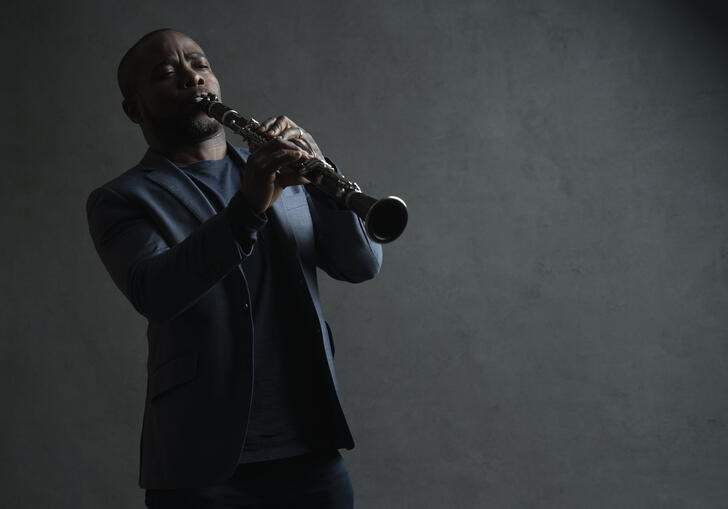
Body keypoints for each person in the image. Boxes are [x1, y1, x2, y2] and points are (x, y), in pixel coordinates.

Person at [85, 28, 382, 508]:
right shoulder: (120, 200)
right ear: (134, 108)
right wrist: (247, 207)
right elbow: (155, 293)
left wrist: (323, 169)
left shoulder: (283, 170)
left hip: (310, 452)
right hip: (200, 467)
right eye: (166, 72)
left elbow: (361, 263)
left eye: (199, 63)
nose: (190, 75)